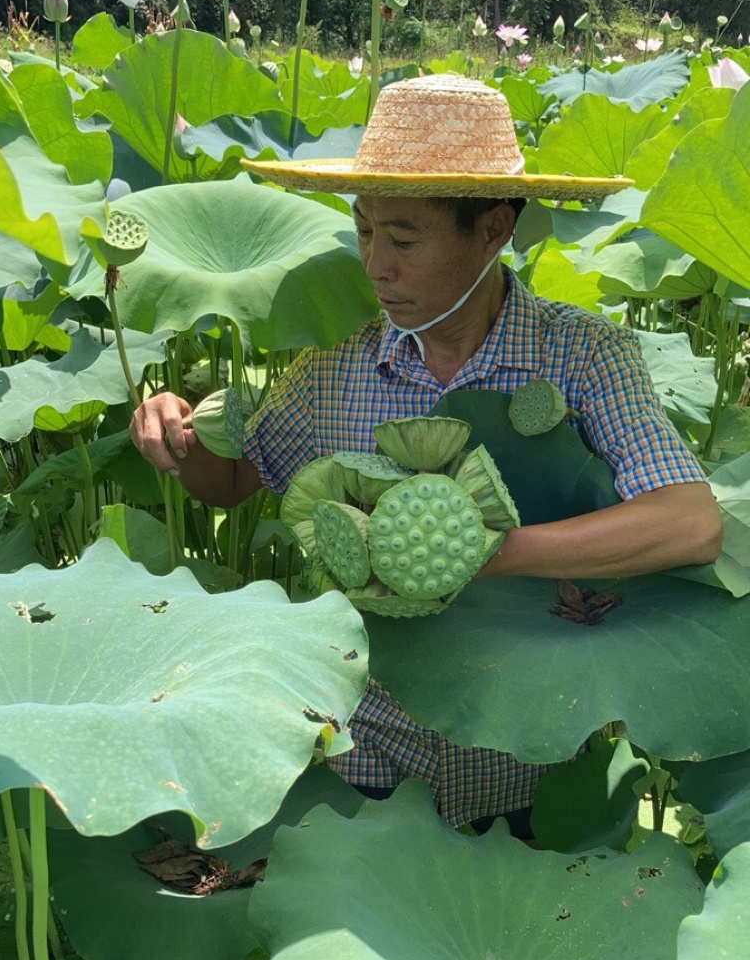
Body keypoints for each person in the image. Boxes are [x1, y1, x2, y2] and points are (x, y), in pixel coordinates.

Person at [130, 75, 721, 831]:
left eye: (404, 239)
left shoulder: (583, 357)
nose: (376, 266)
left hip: (539, 763)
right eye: (366, 231)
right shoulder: (334, 369)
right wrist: (177, 437)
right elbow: (235, 480)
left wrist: (478, 551)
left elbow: (689, 521)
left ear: (495, 228)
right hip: (368, 757)